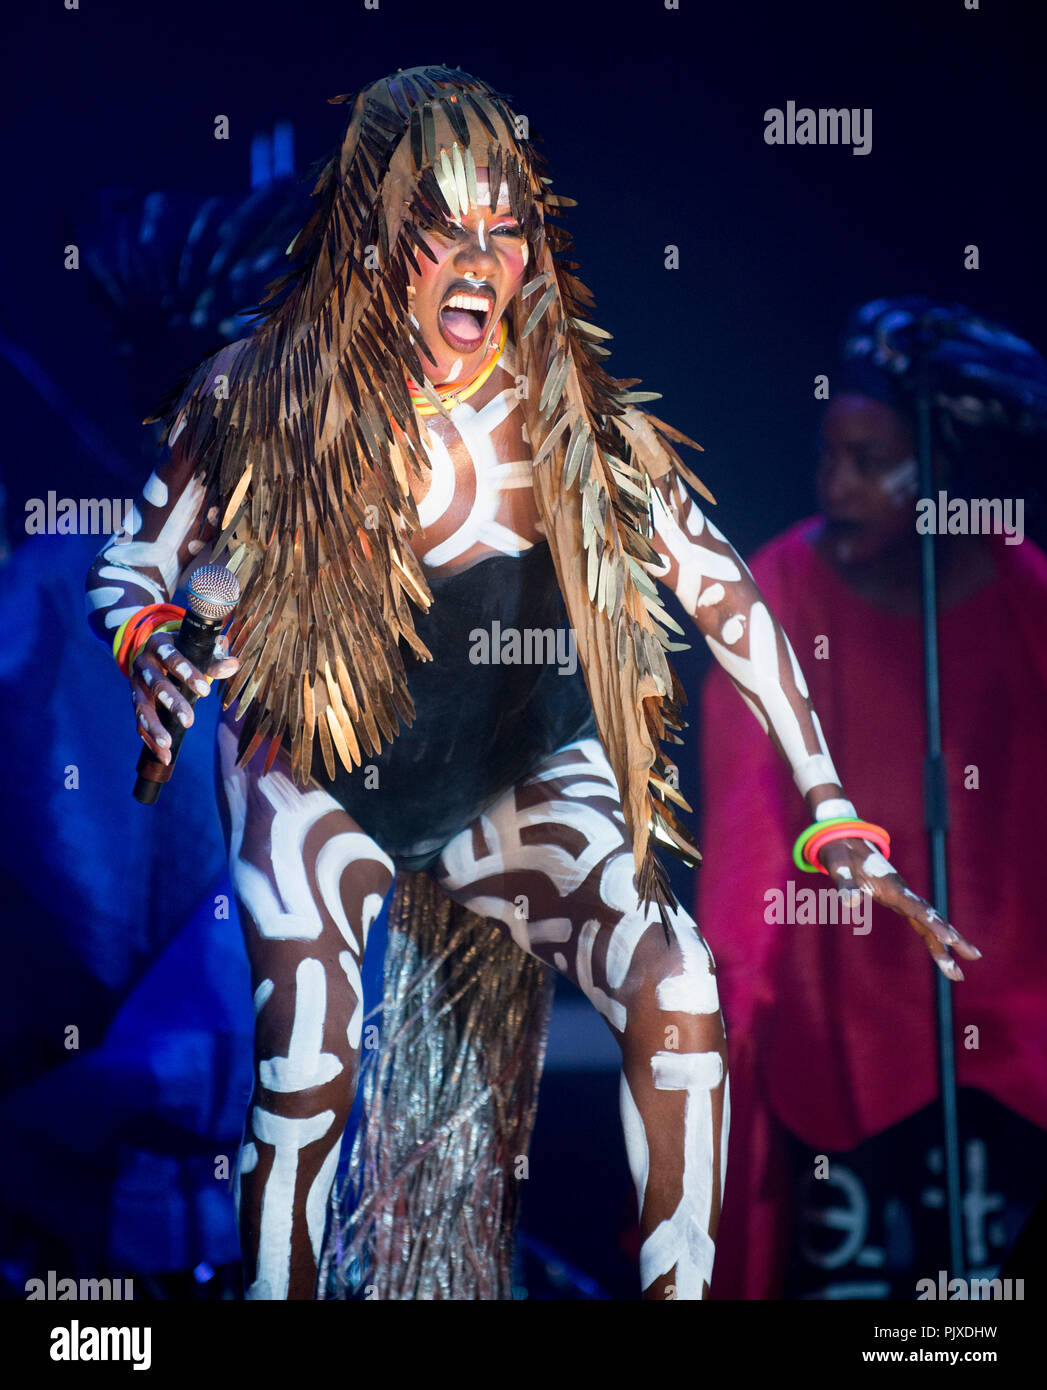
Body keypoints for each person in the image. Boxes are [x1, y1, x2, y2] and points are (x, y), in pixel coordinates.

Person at [85, 75, 976, 1302]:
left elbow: (721, 595)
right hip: (321, 760)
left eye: (503, 232)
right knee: (307, 1065)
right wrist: (157, 637)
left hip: (509, 758)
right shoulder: (259, 390)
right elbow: (131, 562)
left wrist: (832, 813)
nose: (479, 262)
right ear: (375, 236)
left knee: (677, 987)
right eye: (443, 230)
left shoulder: (567, 420)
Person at [700, 297, 1047, 1299]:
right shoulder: (781, 589)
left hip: (1005, 1041)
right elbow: (746, 832)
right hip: (835, 1034)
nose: (835, 484)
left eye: (870, 461)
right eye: (830, 455)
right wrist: (734, 1007)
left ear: (944, 474)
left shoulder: (1022, 594)